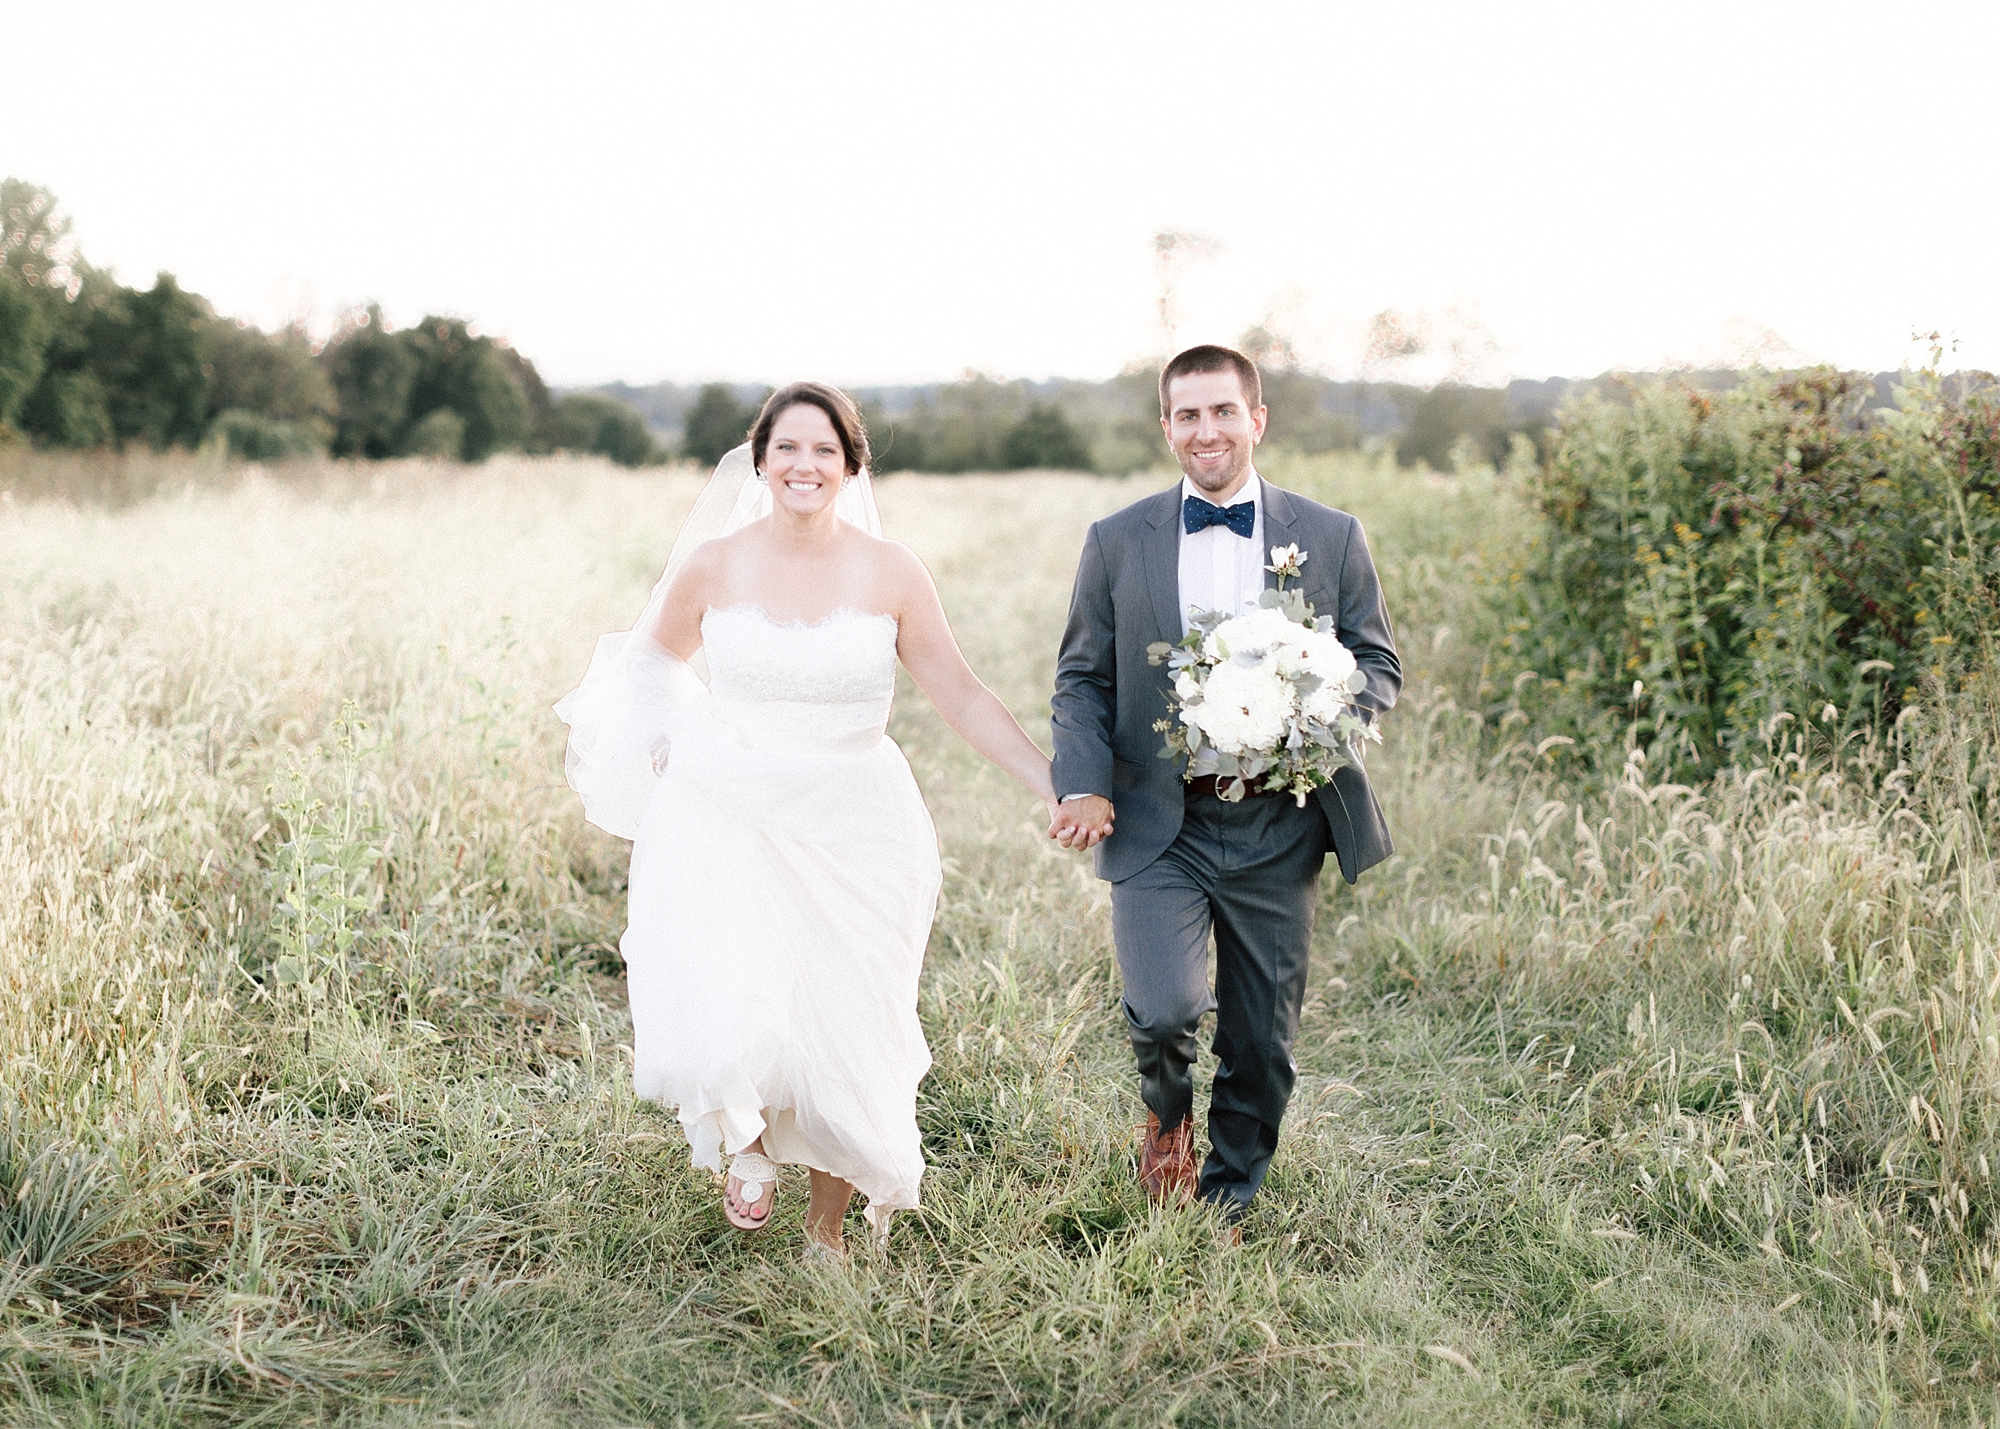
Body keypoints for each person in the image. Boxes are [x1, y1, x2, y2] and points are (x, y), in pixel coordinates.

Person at [556, 382, 1060, 1259]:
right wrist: (677, 737)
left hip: (857, 819)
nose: (804, 464)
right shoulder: (713, 564)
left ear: (851, 463)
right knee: (743, 986)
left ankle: (827, 1230)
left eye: (824, 449)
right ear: (759, 460)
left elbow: (964, 696)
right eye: (787, 446)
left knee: (850, 1016)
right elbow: (651, 662)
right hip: (733, 808)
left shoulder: (893, 571)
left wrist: (1053, 782)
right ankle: (747, 1144)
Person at [1046, 344, 1401, 1228]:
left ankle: (1227, 1197)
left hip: (1279, 820)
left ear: (1257, 419)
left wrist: (1319, 708)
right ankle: (1166, 1119)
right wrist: (1084, 783)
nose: (1206, 431)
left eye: (1222, 412)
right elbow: (1081, 679)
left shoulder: (1330, 534)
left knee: (1262, 1037)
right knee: (1164, 1007)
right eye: (1187, 415)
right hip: (1158, 819)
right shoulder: (1117, 541)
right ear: (1167, 426)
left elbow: (1378, 662)